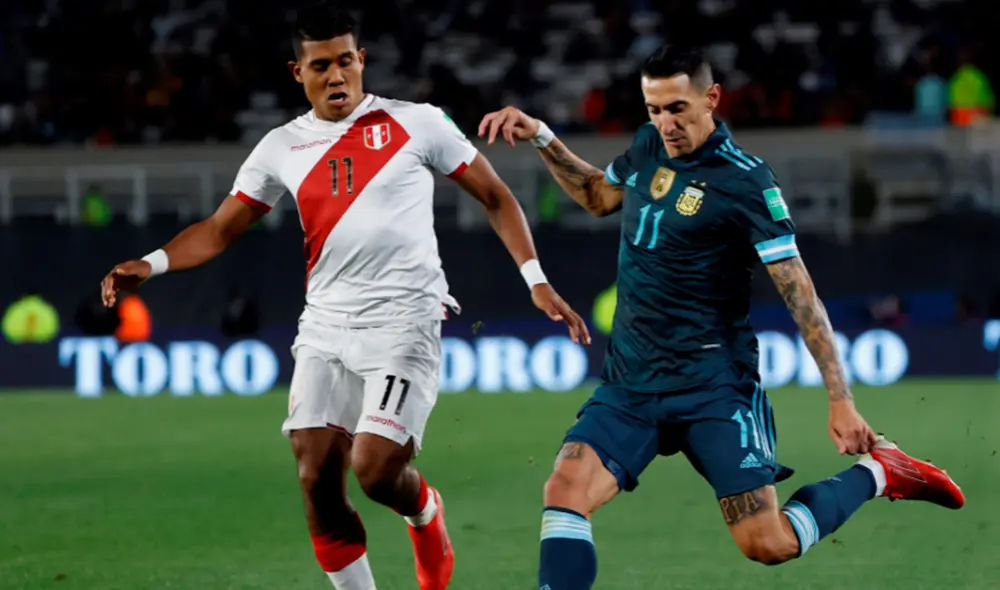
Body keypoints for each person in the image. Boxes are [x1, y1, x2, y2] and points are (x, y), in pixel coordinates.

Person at [100, 7, 590, 590]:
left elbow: (495, 195)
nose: (336, 76)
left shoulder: (418, 123)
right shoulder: (282, 146)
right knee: (315, 477)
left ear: (361, 61)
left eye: (345, 62)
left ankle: (425, 511)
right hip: (326, 328)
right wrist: (150, 264)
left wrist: (535, 278)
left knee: (377, 471)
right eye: (321, 66)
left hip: (405, 321)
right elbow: (220, 228)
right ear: (297, 72)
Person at [478, 45, 964, 589]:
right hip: (631, 383)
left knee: (769, 543)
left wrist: (841, 400)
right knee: (564, 489)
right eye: (654, 109)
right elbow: (596, 195)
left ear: (711, 98)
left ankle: (879, 472)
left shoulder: (746, 182)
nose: (665, 123)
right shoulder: (646, 147)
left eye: (677, 108)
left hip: (713, 387)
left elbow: (801, 295)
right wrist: (542, 135)